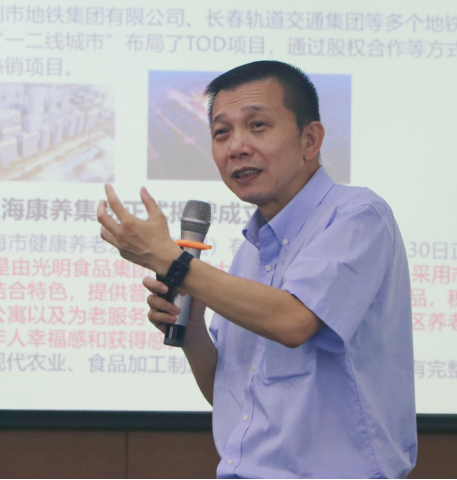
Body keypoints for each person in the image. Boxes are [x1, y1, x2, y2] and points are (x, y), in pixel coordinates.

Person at [97, 61, 417, 479]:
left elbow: (293, 321)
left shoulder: (357, 216)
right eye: (221, 133)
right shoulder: (250, 254)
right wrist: (192, 333)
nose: (237, 147)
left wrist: (173, 263)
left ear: (310, 139)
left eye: (258, 126)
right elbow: (235, 399)